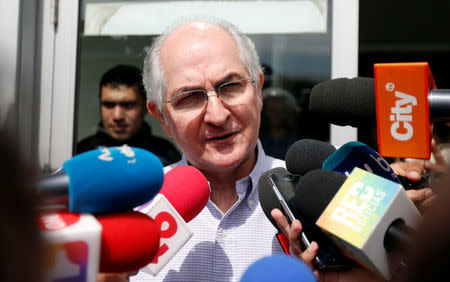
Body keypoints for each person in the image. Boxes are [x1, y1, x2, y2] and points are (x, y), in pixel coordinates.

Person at [100, 17, 433, 282]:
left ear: (258, 89)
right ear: (161, 115)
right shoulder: (128, 212)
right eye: (190, 98)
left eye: (230, 87)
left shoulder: (329, 199)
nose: (217, 115)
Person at [76, 64, 181, 166]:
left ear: (146, 107)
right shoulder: (82, 153)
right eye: (109, 105)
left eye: (128, 105)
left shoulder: (164, 154)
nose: (117, 116)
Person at [260, 87, 299, 159]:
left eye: (281, 110)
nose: (276, 115)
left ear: (287, 113)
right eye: (272, 110)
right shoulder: (256, 142)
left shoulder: (296, 144)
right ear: (264, 112)